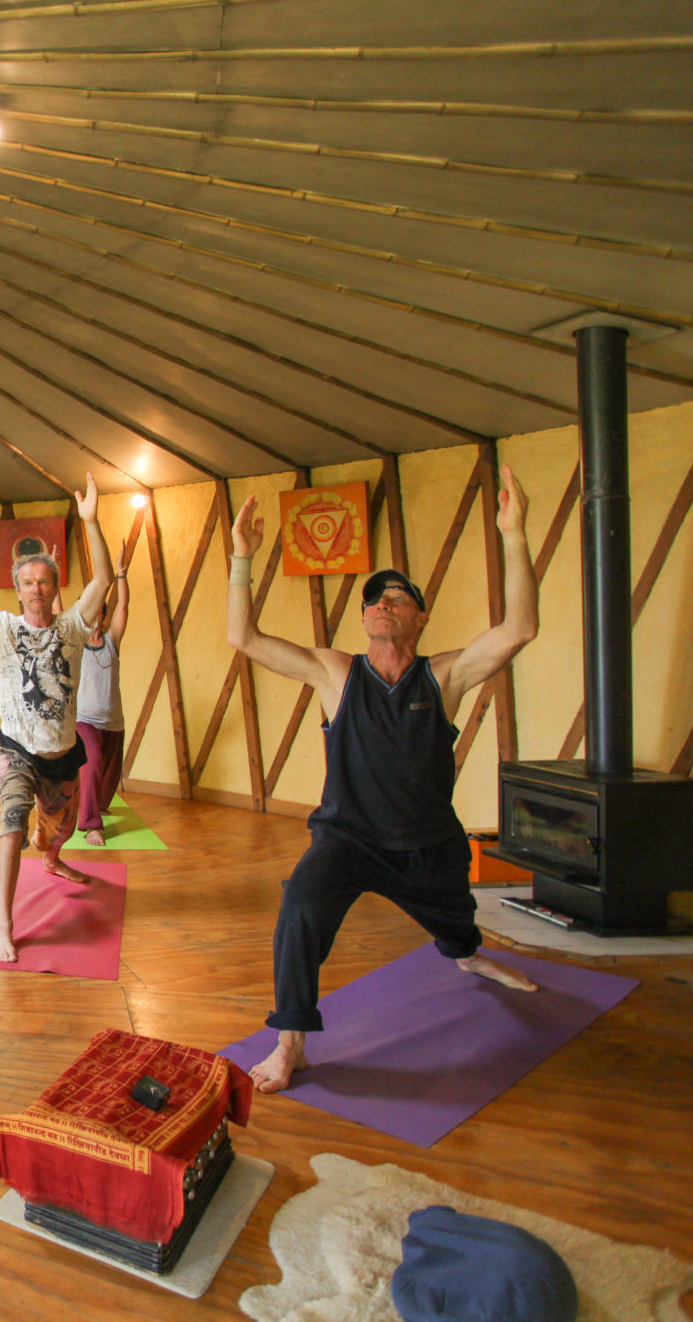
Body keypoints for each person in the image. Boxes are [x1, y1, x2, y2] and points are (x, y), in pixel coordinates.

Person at [227, 465, 539, 1093]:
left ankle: (468, 955)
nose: (382, 604)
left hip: (428, 844)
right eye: (373, 599)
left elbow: (519, 631)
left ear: (420, 618)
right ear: (364, 617)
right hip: (348, 839)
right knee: (300, 906)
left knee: (457, 924)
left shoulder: (443, 676)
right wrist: (241, 559)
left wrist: (514, 534)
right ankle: (291, 1043)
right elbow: (244, 636)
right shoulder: (335, 673)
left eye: (397, 597)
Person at [0, 473, 114, 962]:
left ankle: (52, 857)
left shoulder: (74, 626)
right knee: (12, 821)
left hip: (61, 753)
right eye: (28, 582)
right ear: (18, 591)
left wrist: (91, 521)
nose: (37, 588)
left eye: (44, 581)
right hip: (17, 750)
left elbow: (103, 580)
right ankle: (4, 923)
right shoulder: (2, 627)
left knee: (58, 831)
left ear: (56, 588)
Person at [74, 566, 129, 846]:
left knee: (110, 773)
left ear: (103, 615)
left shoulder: (111, 641)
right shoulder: (74, 642)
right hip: (84, 719)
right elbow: (59, 611)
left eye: (97, 611)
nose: (92, 617)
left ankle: (99, 804)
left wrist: (121, 576)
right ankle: (91, 824)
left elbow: (124, 607)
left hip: (113, 721)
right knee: (92, 761)